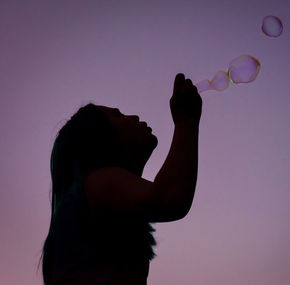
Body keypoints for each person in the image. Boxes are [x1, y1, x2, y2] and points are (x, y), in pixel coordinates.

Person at [38, 73, 202, 284]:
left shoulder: (88, 198)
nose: (132, 117)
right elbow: (170, 197)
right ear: (98, 139)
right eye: (118, 115)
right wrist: (186, 121)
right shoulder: (97, 182)